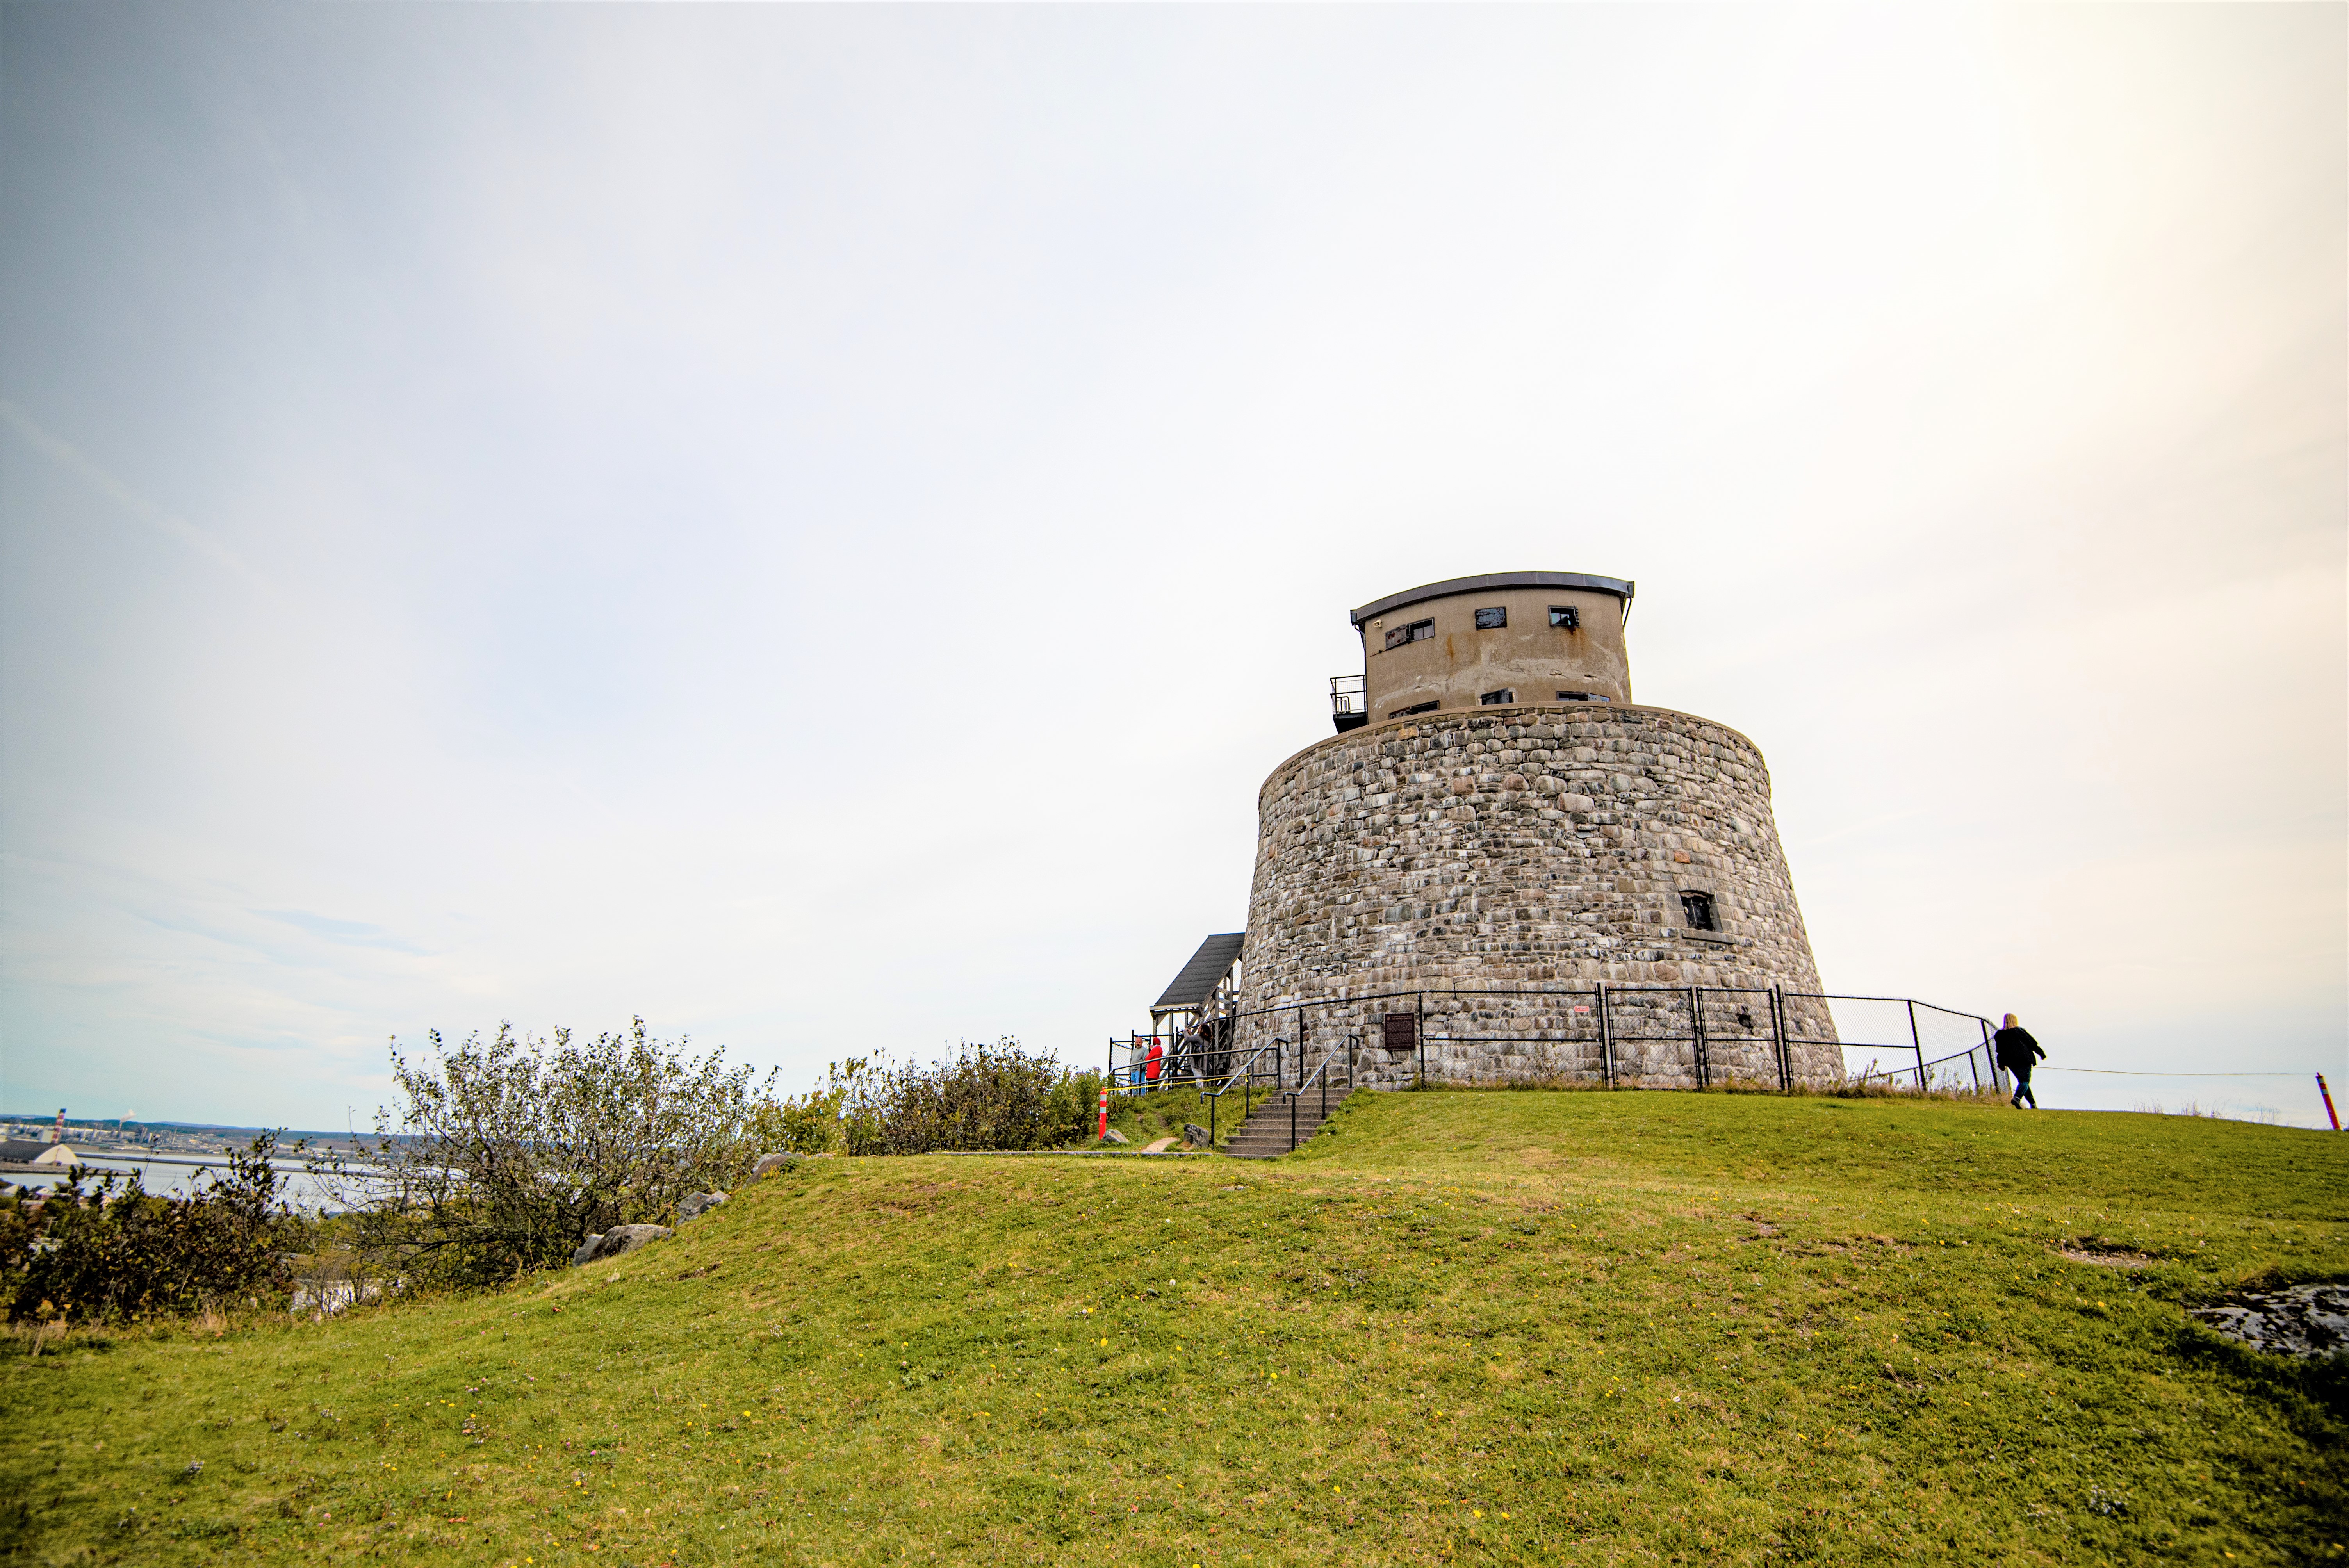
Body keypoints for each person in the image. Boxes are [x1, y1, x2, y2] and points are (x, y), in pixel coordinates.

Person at [1992, 1014, 2044, 1108]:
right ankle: (2017, 1098)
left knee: (2022, 1082)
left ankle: (2033, 1104)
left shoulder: (1999, 1035)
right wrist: (2041, 1053)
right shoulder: (2020, 1031)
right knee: (2025, 1081)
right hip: (2025, 1059)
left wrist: (2001, 1063)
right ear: (2015, 1020)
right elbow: (2032, 1043)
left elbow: (2000, 1050)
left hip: (2010, 1062)